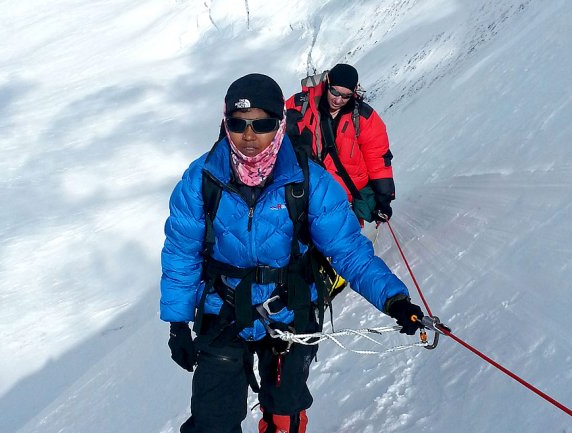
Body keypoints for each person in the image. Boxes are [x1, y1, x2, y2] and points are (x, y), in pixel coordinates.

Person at [160, 73, 424, 433]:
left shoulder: (309, 181)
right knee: (212, 423)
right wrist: (178, 323)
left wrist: (394, 300)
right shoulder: (201, 179)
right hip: (223, 310)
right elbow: (181, 253)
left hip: (291, 309)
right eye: (238, 124)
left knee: (286, 416)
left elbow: (348, 251)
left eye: (262, 124)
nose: (249, 136)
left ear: (280, 124)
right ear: (225, 123)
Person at [285, 63, 395, 224]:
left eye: (346, 96)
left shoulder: (363, 117)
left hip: (344, 200)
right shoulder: (299, 105)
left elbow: (378, 159)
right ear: (327, 81)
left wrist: (383, 201)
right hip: (306, 195)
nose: (338, 100)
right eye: (335, 92)